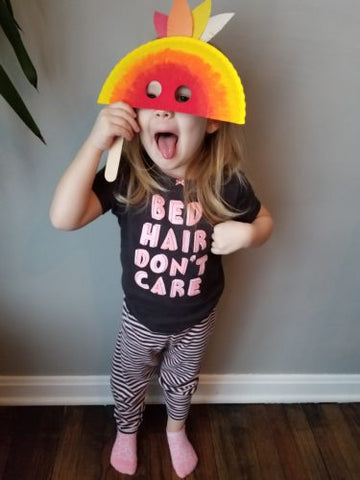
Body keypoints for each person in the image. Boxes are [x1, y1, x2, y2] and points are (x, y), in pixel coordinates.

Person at [50, 101, 273, 477]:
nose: (164, 113)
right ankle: (126, 429)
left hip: (197, 321)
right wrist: (94, 145)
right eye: (151, 102)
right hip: (139, 319)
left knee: (182, 381)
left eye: (181, 101)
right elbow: (63, 217)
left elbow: (265, 219)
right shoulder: (128, 175)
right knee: (127, 378)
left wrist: (250, 233)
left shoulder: (226, 182)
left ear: (213, 119)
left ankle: (176, 429)